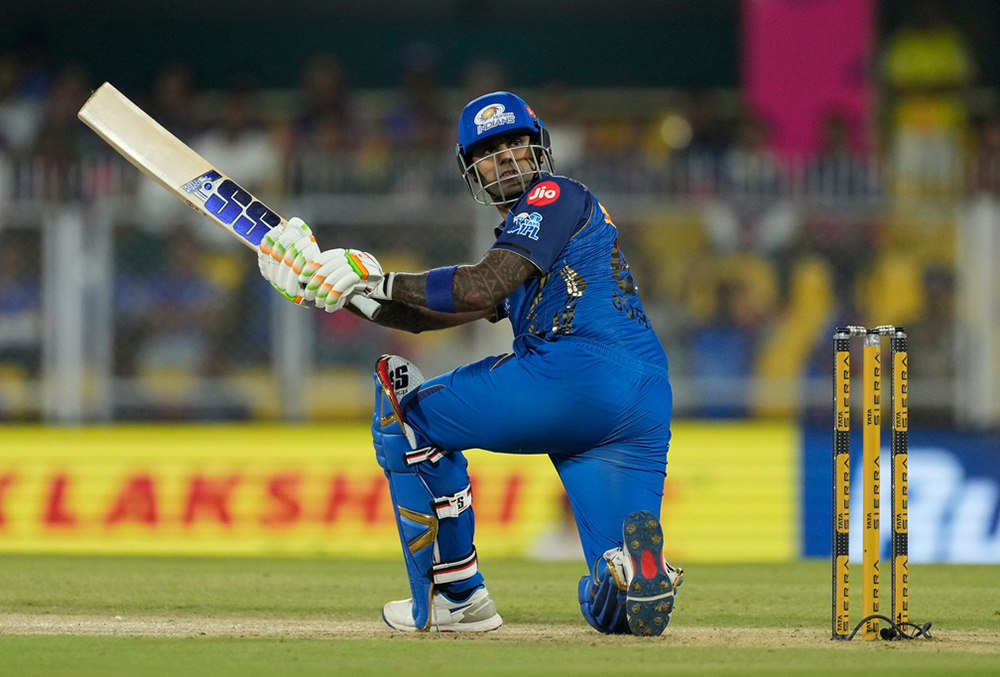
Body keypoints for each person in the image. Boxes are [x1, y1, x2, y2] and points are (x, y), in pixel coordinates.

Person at [258, 91, 683, 636]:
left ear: (539, 148)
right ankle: (633, 569)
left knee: (407, 415)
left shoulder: (555, 196)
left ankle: (459, 598)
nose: (504, 156)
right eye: (488, 150)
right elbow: (430, 316)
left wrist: (374, 279)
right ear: (470, 167)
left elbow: (483, 285)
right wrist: (336, 293)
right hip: (642, 398)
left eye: (515, 142)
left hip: (576, 374)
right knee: (615, 605)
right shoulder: (537, 234)